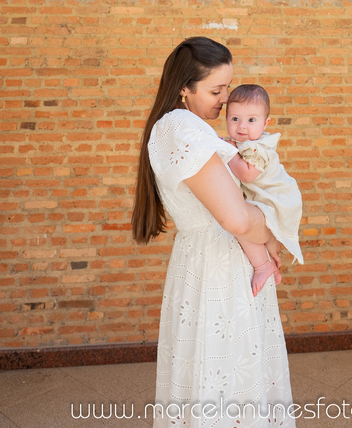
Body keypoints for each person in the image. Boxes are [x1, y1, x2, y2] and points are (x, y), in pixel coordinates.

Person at [132, 37, 295, 428]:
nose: (225, 100)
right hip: (218, 267)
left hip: (208, 260)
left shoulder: (182, 127)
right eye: (216, 90)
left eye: (227, 87)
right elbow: (236, 219)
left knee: (219, 378)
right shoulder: (183, 129)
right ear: (184, 89)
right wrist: (272, 236)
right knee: (226, 380)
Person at [224, 84, 305, 297]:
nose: (242, 126)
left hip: (277, 198)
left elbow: (247, 174)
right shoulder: (241, 143)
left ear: (265, 123)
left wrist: (230, 154)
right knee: (251, 227)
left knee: (238, 222)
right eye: (235, 119)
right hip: (266, 197)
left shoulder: (257, 147)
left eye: (251, 120)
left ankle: (263, 266)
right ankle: (273, 266)